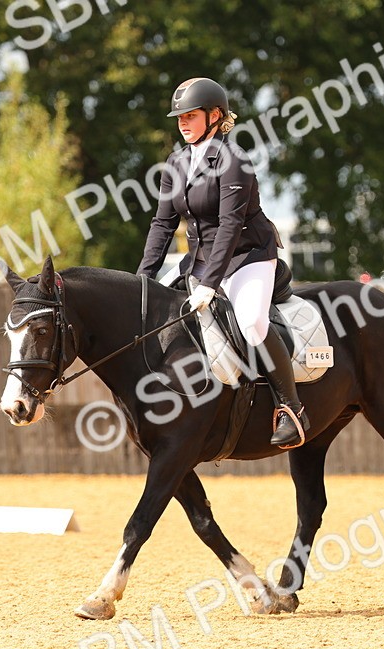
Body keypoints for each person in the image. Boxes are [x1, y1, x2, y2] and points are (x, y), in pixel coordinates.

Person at [136, 77, 310, 448]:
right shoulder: (177, 161)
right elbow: (163, 224)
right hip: (199, 260)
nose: (182, 123)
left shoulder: (233, 160)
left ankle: (291, 409)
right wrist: (142, 280)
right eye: (179, 117)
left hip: (248, 257)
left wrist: (210, 284)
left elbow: (231, 225)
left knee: (250, 321)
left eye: (191, 116)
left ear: (215, 116)